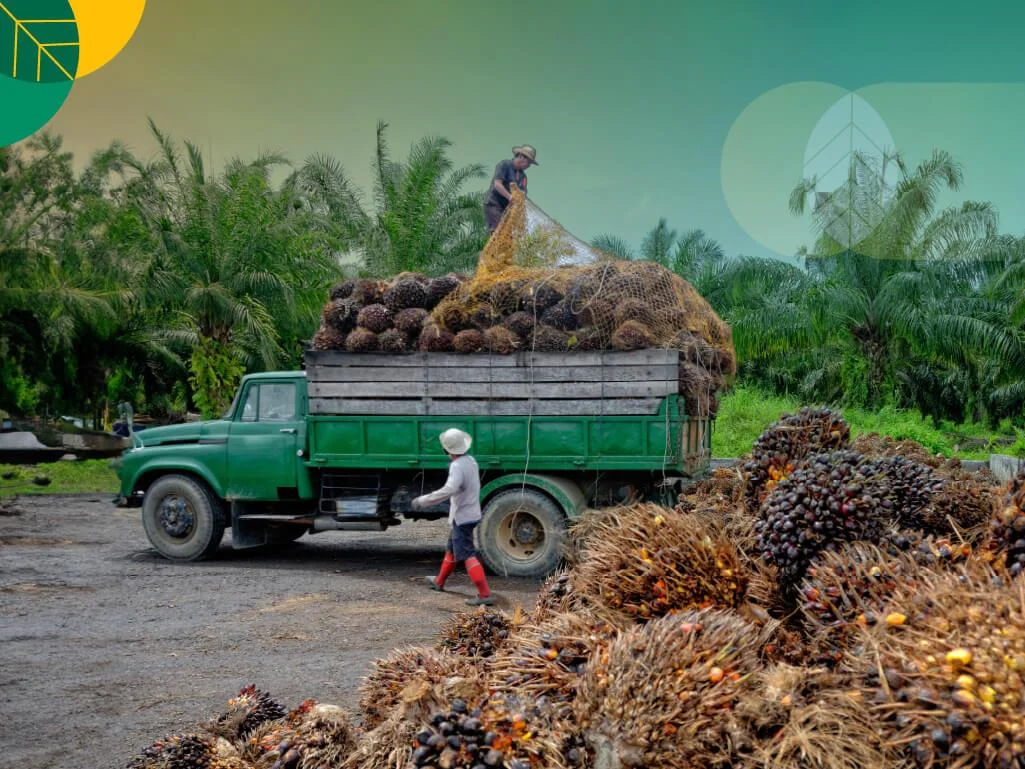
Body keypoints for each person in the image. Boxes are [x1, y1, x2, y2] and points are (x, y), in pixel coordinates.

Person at [412, 428, 494, 606]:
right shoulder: (471, 461)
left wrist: (423, 500)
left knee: (467, 555)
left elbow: (449, 489)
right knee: (451, 549)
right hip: (470, 512)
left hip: (462, 517)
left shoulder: (457, 466)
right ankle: (439, 581)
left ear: (447, 450)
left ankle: (485, 594)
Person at [483, 144, 539, 233]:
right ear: (521, 157)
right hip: (494, 205)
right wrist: (510, 197)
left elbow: (523, 194)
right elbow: (497, 184)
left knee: (509, 234)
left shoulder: (523, 177)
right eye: (528, 162)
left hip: (507, 210)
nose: (528, 166)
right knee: (498, 232)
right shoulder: (505, 165)